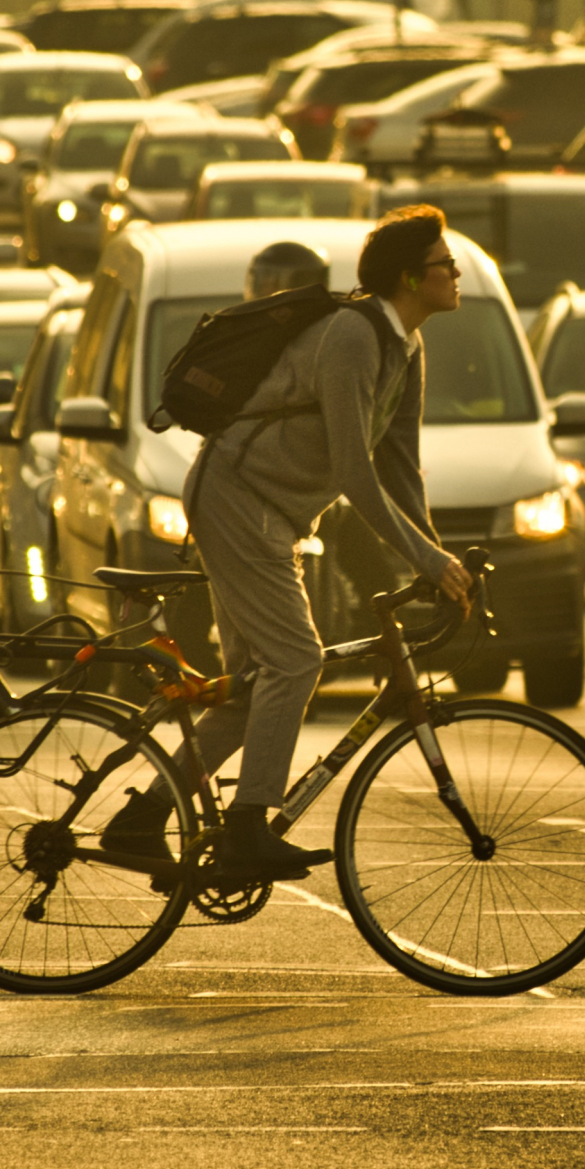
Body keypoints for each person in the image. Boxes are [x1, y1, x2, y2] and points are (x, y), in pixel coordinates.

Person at [109, 208, 473, 884]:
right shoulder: (352, 336)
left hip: (270, 515)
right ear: (408, 277)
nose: (456, 274)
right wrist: (428, 560)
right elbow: (354, 472)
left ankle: (144, 814)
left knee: (253, 689)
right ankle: (249, 826)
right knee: (297, 659)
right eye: (445, 264)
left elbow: (399, 466)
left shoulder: (407, 346)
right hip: (237, 500)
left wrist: (437, 559)